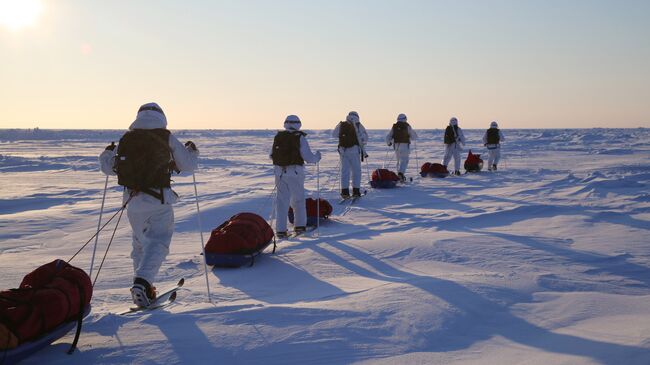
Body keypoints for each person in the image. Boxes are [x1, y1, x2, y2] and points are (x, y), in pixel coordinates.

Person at [99, 102, 199, 307]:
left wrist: (107, 153)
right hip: (158, 200)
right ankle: (143, 283)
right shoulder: (166, 137)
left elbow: (108, 168)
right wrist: (192, 152)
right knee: (158, 243)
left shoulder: (127, 138)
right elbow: (188, 165)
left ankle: (143, 288)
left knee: (140, 245)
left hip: (132, 202)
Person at [270, 115, 321, 238]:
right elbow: (308, 157)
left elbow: (272, 155)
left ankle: (281, 230)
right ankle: (299, 226)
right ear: (298, 124)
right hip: (295, 173)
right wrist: (317, 157)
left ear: (285, 124)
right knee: (298, 200)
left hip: (280, 172)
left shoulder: (278, 136)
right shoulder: (300, 137)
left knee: (282, 201)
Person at [332, 111, 368, 198]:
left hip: (343, 151)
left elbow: (334, 134)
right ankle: (356, 191)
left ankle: (345, 192)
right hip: (354, 151)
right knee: (356, 171)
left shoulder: (342, 124)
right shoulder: (359, 125)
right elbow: (365, 138)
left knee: (345, 171)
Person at [385, 113, 418, 182]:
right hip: (405, 145)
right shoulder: (407, 126)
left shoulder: (394, 126)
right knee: (405, 160)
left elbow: (388, 136)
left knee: (398, 161)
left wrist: (389, 143)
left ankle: (399, 176)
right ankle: (401, 174)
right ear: (405, 119)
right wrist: (414, 137)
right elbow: (414, 136)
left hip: (396, 145)